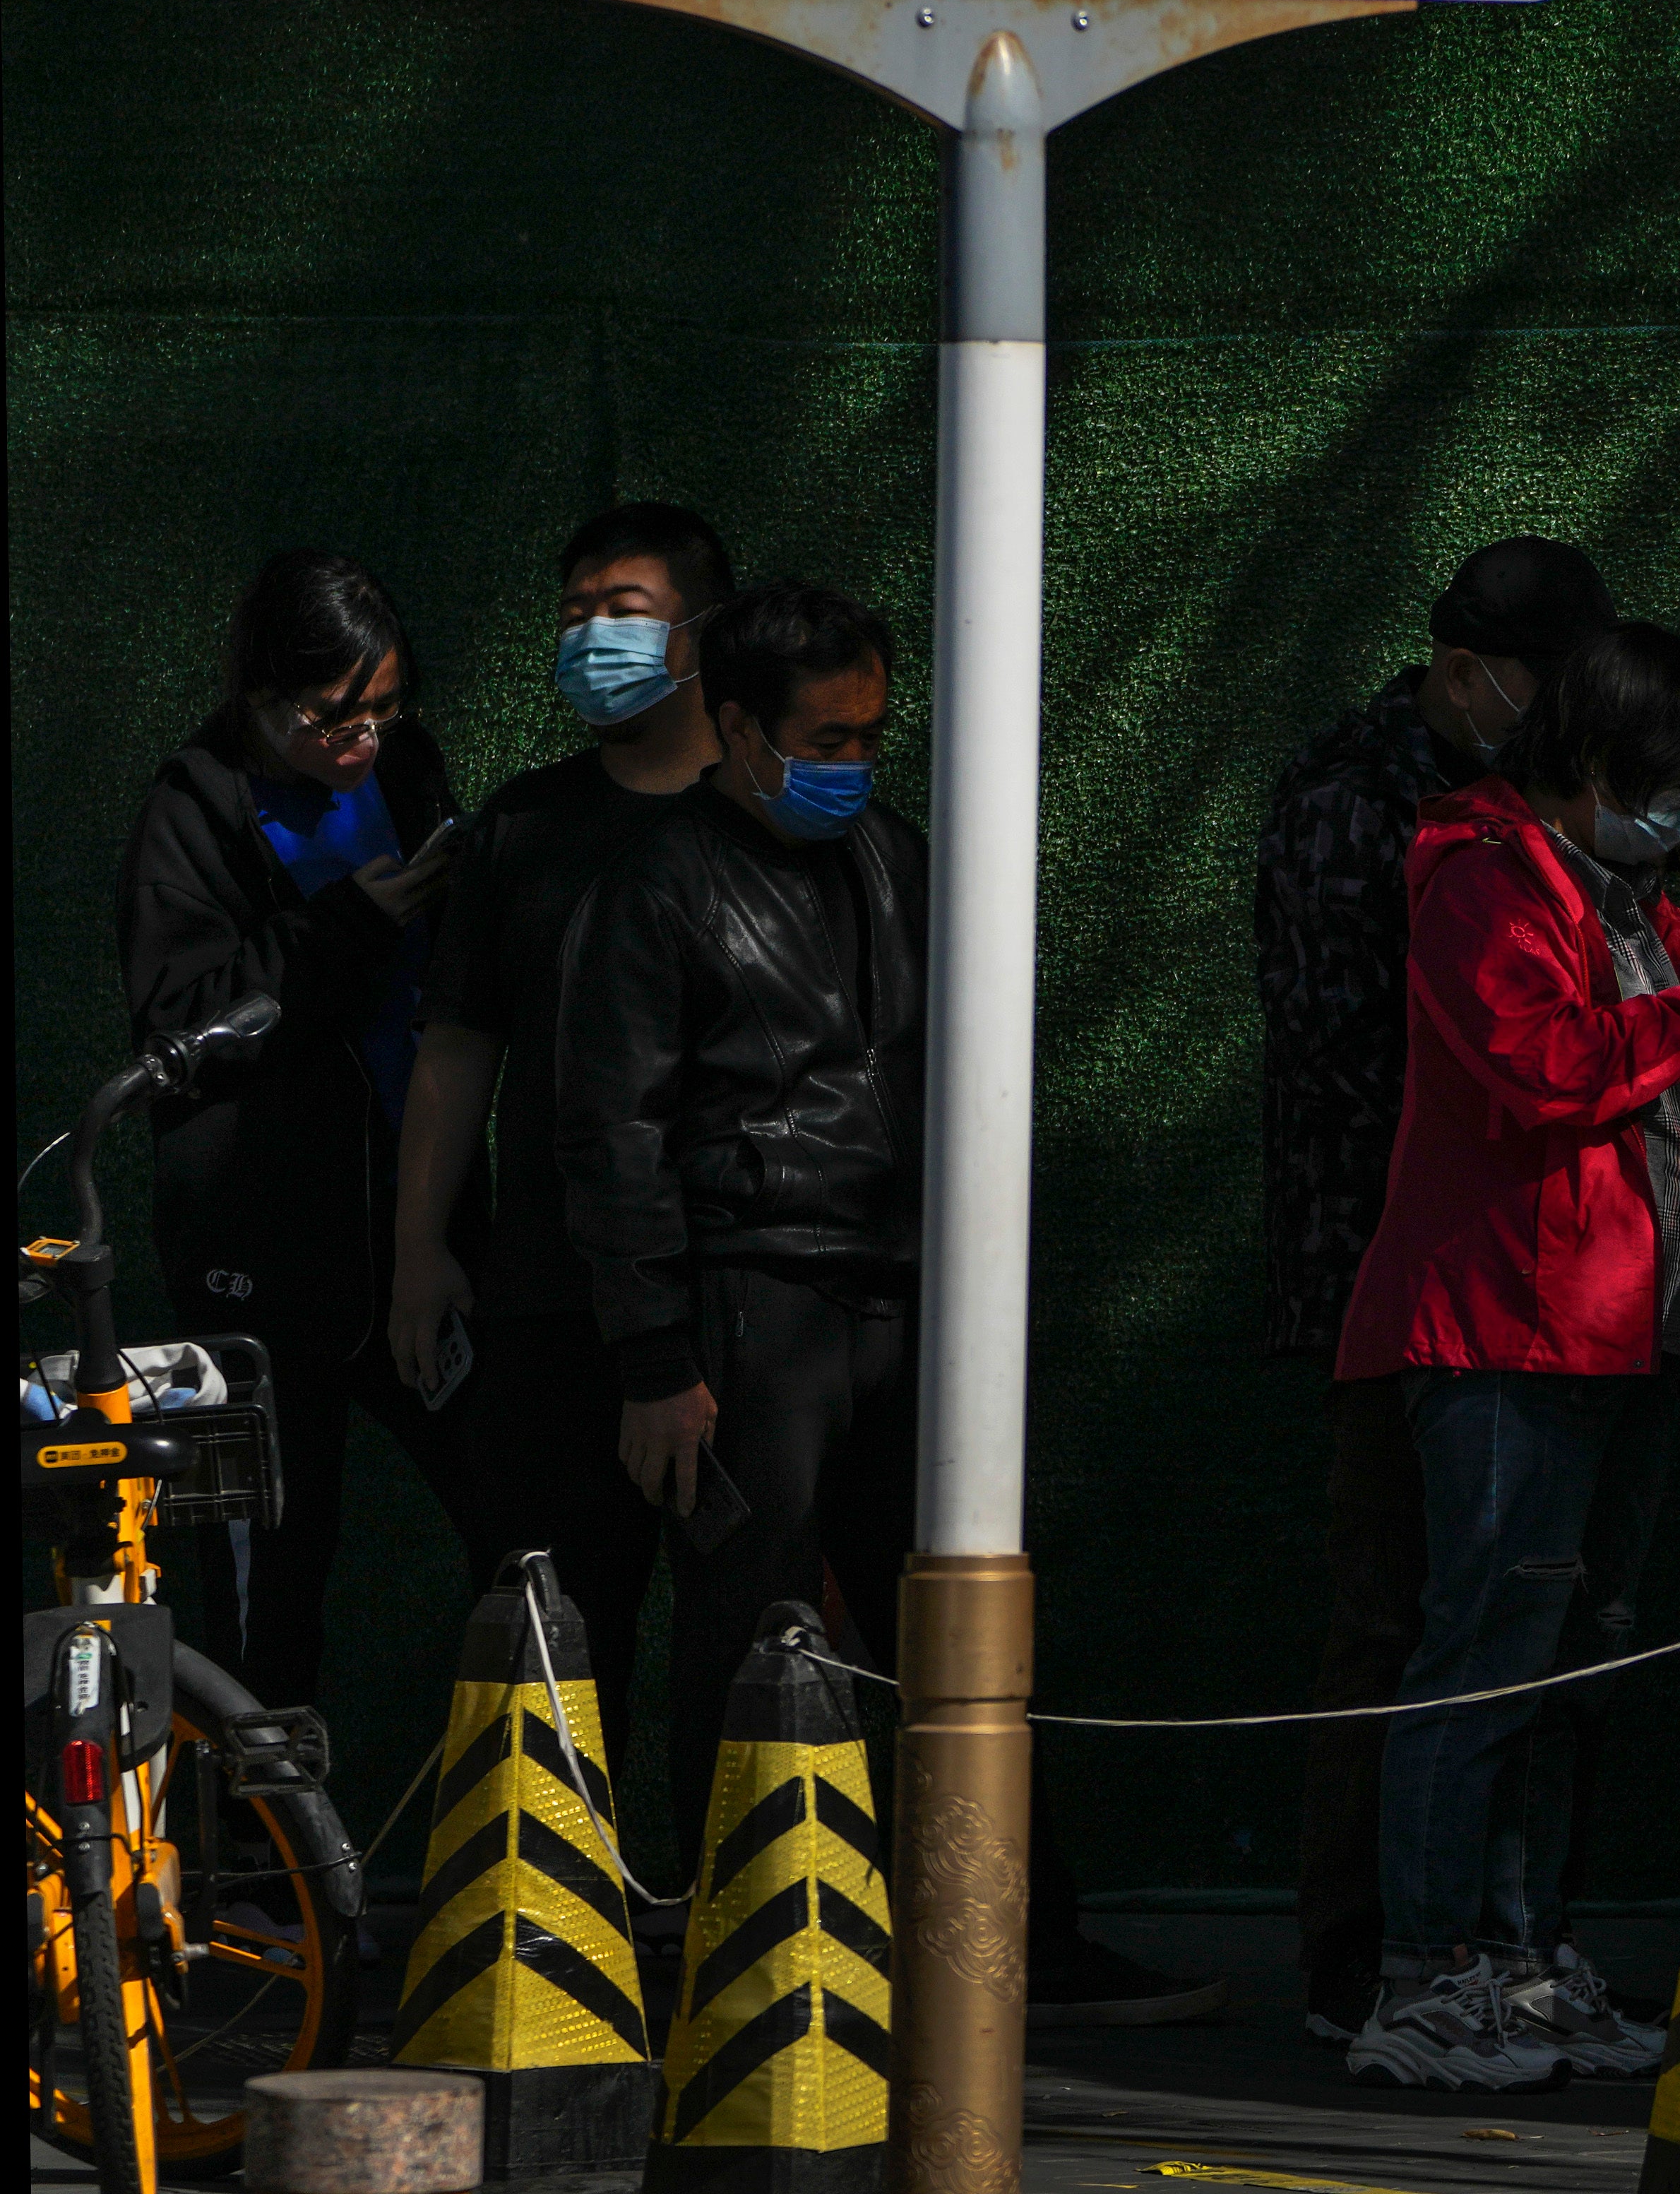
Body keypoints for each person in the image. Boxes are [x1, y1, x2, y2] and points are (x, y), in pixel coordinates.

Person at [555, 581, 1215, 2021]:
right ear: (732, 726)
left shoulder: (899, 855)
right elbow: (610, 1130)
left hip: (909, 1291)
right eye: (824, 733)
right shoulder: (653, 881)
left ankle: (1020, 1941)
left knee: (958, 1623)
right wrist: (656, 1351)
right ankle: (752, 1941)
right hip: (750, 1296)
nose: (853, 756)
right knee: (752, 1620)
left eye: (871, 728)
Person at [1333, 622, 1680, 2091]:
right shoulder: (1480, 874)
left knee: (1569, 1667)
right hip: (1507, 1335)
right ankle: (1422, 1980)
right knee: (1479, 1660)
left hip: (1624, 1336)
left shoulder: (1630, 896)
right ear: (1597, 763)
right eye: (1666, 788)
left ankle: (1521, 1959)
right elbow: (1546, 1069)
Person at [1256, 536, 1619, 2043]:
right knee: (1397, 1615)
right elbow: (1345, 1053)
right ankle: (1370, 1966)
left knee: (1527, 1618)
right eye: (1544, 683)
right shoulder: (1358, 800)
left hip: (1546, 1272)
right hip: (1395, 1274)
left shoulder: (1539, 800)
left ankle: (1497, 1946)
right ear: (1463, 666)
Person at [119, 547, 494, 1703]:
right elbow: (178, 1024)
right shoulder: (195, 805)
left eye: (384, 708)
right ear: (260, 694)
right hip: (256, 1279)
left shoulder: (409, 767)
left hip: (420, 1239)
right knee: (258, 1595)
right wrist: (344, 932)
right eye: (334, 718)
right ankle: (253, 1872)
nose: (364, 739)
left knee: (524, 1517)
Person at [390, 501, 732, 1765]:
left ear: (705, 634)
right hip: (543, 1301)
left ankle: (721, 1916)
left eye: (624, 611)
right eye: (574, 614)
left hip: (729, 1299)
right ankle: (548, 1932)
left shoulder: (770, 823)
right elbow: (457, 1048)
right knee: (545, 1639)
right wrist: (419, 1250)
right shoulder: (521, 831)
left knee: (748, 1639)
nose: (592, 635)